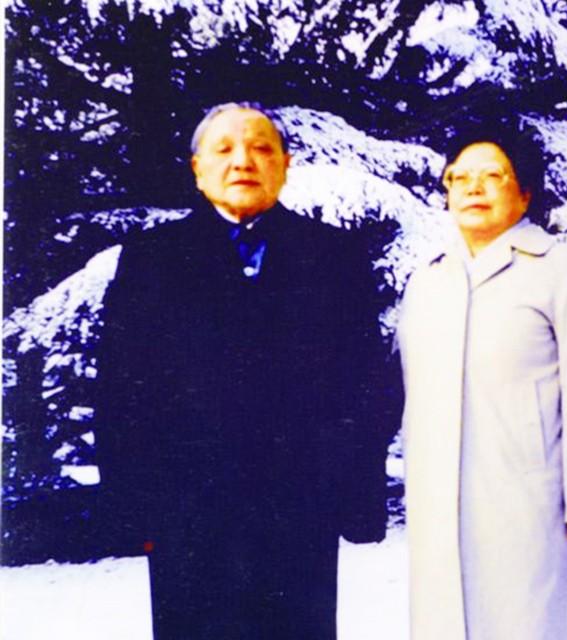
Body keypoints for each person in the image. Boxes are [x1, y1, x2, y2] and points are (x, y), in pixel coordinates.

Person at [93, 103, 396, 640]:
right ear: (197, 169)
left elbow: (364, 382)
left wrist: (355, 496)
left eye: (260, 148)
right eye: (224, 149)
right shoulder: (152, 259)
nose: (243, 162)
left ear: (285, 164)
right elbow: (121, 391)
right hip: (189, 518)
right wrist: (132, 511)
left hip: (300, 514)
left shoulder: (333, 255)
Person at [397, 125, 567, 640]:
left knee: (533, 621)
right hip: (441, 497)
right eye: (460, 178)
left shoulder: (560, 268)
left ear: (524, 193)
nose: (473, 188)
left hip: (533, 497)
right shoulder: (427, 278)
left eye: (492, 176)